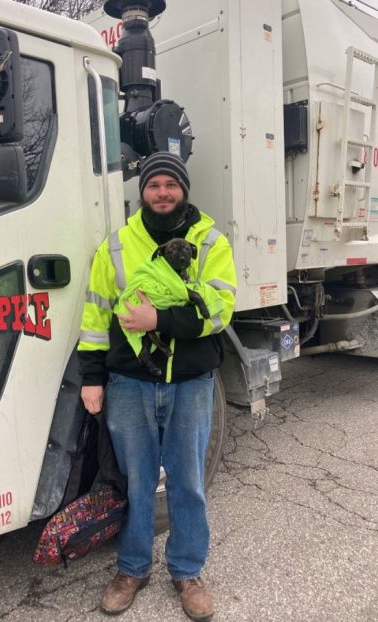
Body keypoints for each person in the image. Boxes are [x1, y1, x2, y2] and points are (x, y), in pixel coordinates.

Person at [77, 151, 236, 621]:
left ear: (183, 189)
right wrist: (92, 378)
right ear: (142, 191)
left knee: (188, 482)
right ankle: (132, 569)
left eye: (171, 184)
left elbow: (220, 310)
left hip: (190, 383)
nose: (162, 193)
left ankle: (187, 572)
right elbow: (96, 315)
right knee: (137, 482)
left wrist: (158, 320)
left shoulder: (210, 241)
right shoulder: (117, 246)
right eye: (153, 185)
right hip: (129, 383)